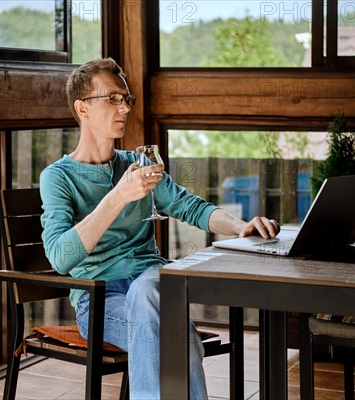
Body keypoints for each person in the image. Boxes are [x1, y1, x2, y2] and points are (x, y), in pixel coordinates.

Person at [39, 57, 280, 399]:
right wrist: (118, 196)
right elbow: (61, 258)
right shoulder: (57, 177)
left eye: (126, 98)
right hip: (99, 300)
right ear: (82, 108)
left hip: (152, 283)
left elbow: (190, 206)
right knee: (175, 331)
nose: (123, 107)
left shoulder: (138, 164)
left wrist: (242, 226)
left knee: (151, 288)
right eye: (112, 98)